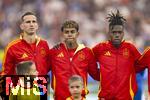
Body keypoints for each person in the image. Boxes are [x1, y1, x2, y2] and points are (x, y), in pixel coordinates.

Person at [92, 10, 141, 100]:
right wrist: (98, 75)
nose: (117, 35)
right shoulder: (100, 48)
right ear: (109, 33)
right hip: (105, 97)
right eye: (114, 32)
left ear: (123, 33)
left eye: (119, 32)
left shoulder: (130, 48)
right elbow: (87, 60)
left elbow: (141, 65)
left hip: (125, 97)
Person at [0, 11, 50, 100]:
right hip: (21, 93)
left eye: (34, 22)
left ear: (37, 25)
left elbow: (47, 67)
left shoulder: (44, 44)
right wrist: (4, 96)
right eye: (28, 22)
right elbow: (5, 74)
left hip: (42, 90)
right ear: (22, 26)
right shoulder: (12, 47)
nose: (31, 24)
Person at [49, 20, 99, 100]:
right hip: (60, 98)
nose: (69, 34)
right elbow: (42, 69)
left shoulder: (87, 52)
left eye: (72, 32)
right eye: (66, 32)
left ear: (77, 34)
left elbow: (96, 75)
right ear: (62, 34)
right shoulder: (53, 52)